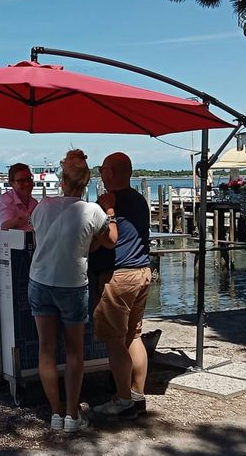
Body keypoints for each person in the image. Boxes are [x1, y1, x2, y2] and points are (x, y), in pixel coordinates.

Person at [28, 149, 117, 433]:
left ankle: (55, 413)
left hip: (40, 281)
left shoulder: (42, 207)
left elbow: (42, 238)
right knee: (74, 352)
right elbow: (111, 240)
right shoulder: (93, 211)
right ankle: (71, 415)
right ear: (86, 183)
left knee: (46, 350)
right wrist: (111, 213)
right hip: (72, 284)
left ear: (62, 181)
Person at [89, 152, 151, 420]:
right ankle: (137, 394)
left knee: (115, 341)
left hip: (120, 276)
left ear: (111, 173)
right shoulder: (139, 199)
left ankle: (123, 399)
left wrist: (105, 211)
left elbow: (105, 239)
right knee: (133, 335)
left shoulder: (109, 202)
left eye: (103, 169)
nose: (100, 173)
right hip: (142, 271)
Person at [0, 163, 38, 233]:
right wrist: (20, 219)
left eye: (29, 179)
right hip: (3, 243)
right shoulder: (4, 201)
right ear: (11, 183)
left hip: (27, 242)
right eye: (21, 181)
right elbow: (4, 226)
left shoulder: (34, 203)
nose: (27, 183)